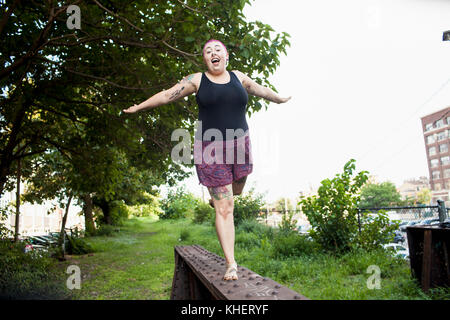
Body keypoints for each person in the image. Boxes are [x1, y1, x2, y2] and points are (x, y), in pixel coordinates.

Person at [123, 39, 291, 281]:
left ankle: (219, 198)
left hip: (239, 143)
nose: (213, 53)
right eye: (208, 51)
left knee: (239, 185)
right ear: (204, 59)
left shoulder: (238, 77)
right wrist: (139, 106)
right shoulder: (197, 80)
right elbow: (168, 95)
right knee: (226, 207)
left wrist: (279, 98)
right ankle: (231, 263)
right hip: (210, 148)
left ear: (226, 56)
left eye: (217, 50)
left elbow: (260, 90)